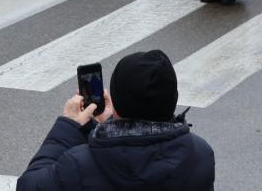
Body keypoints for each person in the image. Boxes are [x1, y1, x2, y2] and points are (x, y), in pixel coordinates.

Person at [16, 49, 216, 191]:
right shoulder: (200, 154)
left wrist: (68, 126)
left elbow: (28, 186)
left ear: (116, 101)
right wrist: (111, 122)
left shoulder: (79, 164)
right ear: (172, 98)